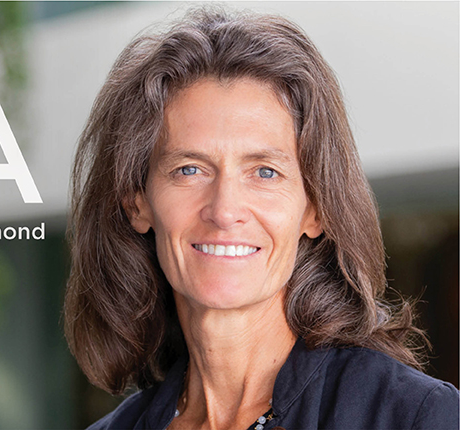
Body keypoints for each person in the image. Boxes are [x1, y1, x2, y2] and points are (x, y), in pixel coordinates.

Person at [64, 6, 459, 430]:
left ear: (315, 209)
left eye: (264, 172)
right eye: (189, 169)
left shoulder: (413, 416)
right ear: (136, 202)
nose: (224, 210)